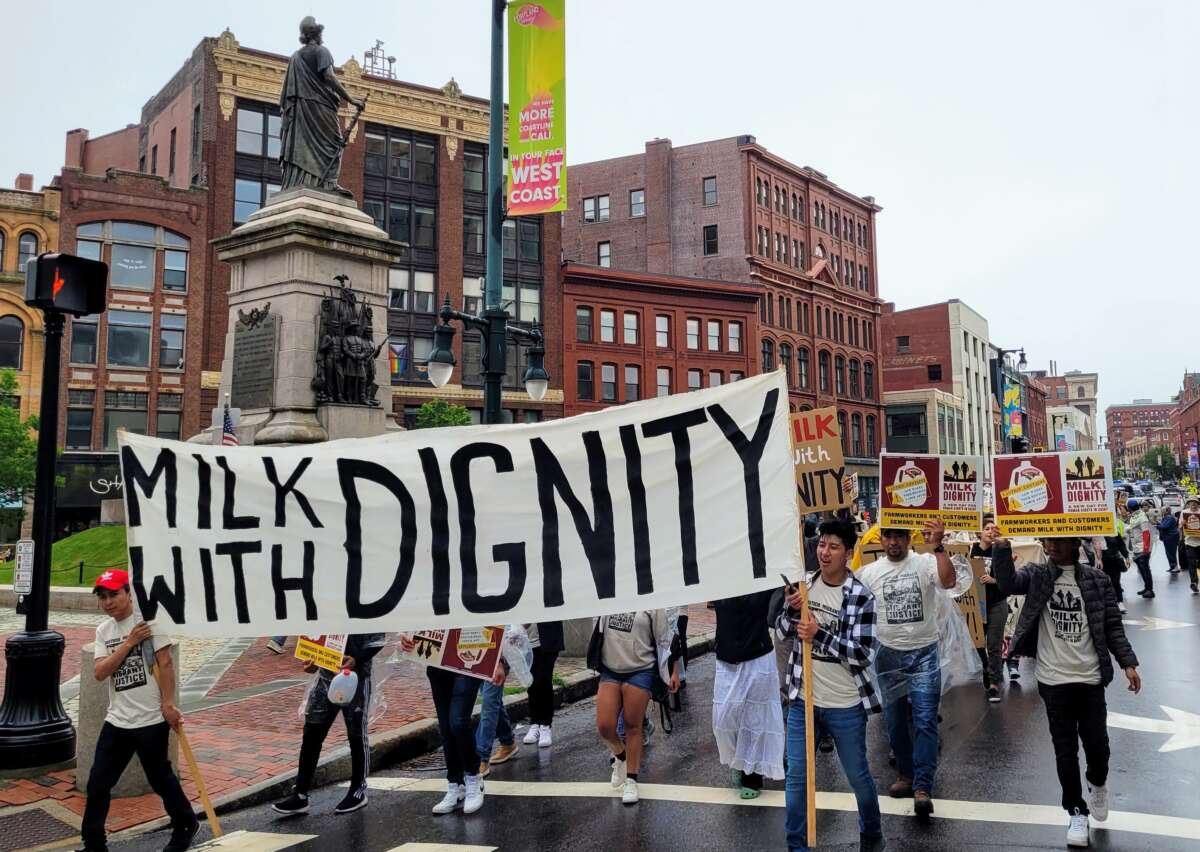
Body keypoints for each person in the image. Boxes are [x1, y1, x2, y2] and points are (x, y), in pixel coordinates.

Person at [992, 536, 1141, 848]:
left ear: (1075, 542)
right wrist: (1001, 548)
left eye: (1059, 540)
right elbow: (1006, 583)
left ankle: (1097, 782)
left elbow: (1113, 626)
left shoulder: (1097, 580)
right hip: (1053, 680)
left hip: (1089, 679)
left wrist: (1127, 662)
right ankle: (1076, 811)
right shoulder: (1037, 575)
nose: (1052, 546)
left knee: (1097, 746)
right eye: (1048, 541)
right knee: (1065, 750)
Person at [777, 519, 883, 852]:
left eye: (834, 546)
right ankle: (796, 845)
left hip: (845, 704)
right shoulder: (804, 586)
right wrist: (790, 611)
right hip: (803, 700)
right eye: (822, 544)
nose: (824, 552)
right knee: (796, 776)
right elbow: (780, 630)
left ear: (849, 554)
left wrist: (819, 634)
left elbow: (862, 653)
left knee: (858, 776)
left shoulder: (861, 597)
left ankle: (871, 834)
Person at [82, 570, 199, 852]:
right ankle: (94, 843)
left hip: (150, 720)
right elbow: (100, 672)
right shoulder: (104, 631)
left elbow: (166, 664)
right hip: (117, 720)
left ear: (128, 593)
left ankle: (186, 823)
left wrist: (168, 704)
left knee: (160, 779)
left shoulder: (151, 624)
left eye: (114, 594)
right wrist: (129, 643)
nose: (108, 602)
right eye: (103, 596)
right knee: (97, 784)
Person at [855, 519, 958, 819]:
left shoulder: (926, 563)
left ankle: (923, 786)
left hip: (924, 654)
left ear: (909, 537)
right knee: (895, 722)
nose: (894, 542)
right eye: (888, 536)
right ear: (882, 539)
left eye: (899, 536)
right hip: (888, 657)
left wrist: (938, 547)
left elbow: (949, 581)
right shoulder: (871, 573)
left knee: (925, 721)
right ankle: (906, 774)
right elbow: (848, 601)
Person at [272, 633, 386, 816]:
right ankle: (300, 794)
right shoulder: (326, 608)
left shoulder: (362, 605)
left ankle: (358, 790)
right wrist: (312, 660)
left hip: (356, 677)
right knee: (312, 732)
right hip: (326, 673)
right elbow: (315, 636)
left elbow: (378, 638)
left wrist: (357, 659)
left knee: (356, 734)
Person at [593, 610, 680, 805]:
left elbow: (666, 639)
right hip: (611, 670)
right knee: (604, 726)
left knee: (633, 725)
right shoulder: (606, 597)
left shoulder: (651, 604)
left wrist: (673, 671)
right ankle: (620, 757)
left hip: (641, 669)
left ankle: (632, 779)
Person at [712, 589, 785, 799]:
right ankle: (738, 759)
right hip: (726, 658)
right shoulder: (717, 579)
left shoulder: (760, 578)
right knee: (723, 719)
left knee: (754, 719)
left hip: (758, 656)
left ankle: (751, 776)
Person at [971, 516, 1010, 703]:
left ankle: (994, 685)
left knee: (994, 645)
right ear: (979, 532)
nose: (990, 531)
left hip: (996, 603)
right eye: (986, 528)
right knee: (978, 644)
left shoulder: (1001, 551)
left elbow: (1010, 579)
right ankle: (986, 667)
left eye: (993, 529)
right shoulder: (970, 550)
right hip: (977, 606)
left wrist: (994, 580)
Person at [522, 621, 564, 749]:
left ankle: (545, 725)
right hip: (526, 641)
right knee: (532, 683)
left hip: (547, 639)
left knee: (544, 680)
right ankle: (535, 723)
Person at [1100, 501, 1130, 614]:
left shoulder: (1114, 532)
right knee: (1102, 583)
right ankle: (1106, 603)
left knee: (1116, 582)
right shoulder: (1096, 532)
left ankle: (1119, 602)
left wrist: (1126, 557)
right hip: (1100, 562)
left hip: (1113, 560)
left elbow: (1121, 545)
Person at [1126, 500, 1154, 598]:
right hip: (1137, 547)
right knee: (1141, 568)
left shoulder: (1142, 517)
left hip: (1143, 547)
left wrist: (1146, 548)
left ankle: (1150, 590)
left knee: (1145, 569)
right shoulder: (1134, 516)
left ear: (1129, 508)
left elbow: (1146, 533)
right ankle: (1146, 587)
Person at [1183, 496, 1200, 594]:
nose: (1193, 504)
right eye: (1190, 503)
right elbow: (1180, 526)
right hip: (1189, 542)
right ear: (1188, 504)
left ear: (1198, 504)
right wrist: (1182, 523)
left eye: (1195, 503)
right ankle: (1194, 583)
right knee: (1191, 563)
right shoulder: (1184, 513)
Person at [1157, 507, 1180, 574]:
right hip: (1168, 537)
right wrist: (1158, 524)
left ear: (1167, 511)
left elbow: (1164, 526)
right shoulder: (1166, 517)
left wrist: (1156, 525)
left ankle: (1175, 567)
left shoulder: (1169, 517)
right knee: (1168, 553)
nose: (1161, 512)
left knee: (1171, 552)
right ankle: (1172, 566)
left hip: (1171, 537)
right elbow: (1163, 525)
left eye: (1162, 510)